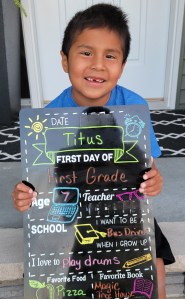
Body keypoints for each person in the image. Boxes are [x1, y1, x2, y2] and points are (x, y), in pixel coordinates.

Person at [12, 3, 175, 298]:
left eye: (110, 56)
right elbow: (38, 179)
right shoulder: (51, 118)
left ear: (122, 65)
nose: (98, 65)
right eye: (86, 53)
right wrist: (25, 194)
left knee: (155, 254)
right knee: (46, 254)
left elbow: (147, 167)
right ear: (65, 60)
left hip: (125, 211)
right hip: (74, 212)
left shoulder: (134, 109)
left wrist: (154, 181)